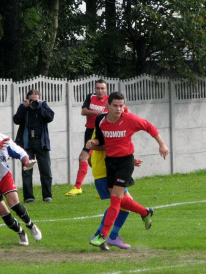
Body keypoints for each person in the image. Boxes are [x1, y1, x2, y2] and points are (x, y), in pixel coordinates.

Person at [87, 92, 169, 247]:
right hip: (109, 162)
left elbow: (149, 126)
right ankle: (145, 213)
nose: (119, 109)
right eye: (115, 106)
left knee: (115, 199)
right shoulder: (100, 120)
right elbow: (101, 140)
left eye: (121, 105)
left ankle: (103, 234)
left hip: (125, 162)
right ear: (108, 106)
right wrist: (93, 143)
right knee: (120, 200)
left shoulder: (130, 119)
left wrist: (162, 144)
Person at [0, 111, 42, 246]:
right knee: (5, 214)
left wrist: (27, 161)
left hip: (4, 177)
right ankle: (21, 232)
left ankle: (30, 225)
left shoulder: (5, 140)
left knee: (15, 204)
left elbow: (20, 152)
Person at [89, 129, 143, 250]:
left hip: (109, 169)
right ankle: (109, 236)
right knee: (122, 203)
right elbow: (108, 146)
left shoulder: (106, 123)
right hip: (107, 171)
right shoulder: (106, 124)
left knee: (121, 204)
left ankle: (105, 236)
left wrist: (128, 161)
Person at [65, 79, 109, 196]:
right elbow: (83, 111)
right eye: (98, 88)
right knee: (91, 161)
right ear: (94, 89)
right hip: (89, 131)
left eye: (102, 88)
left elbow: (125, 111)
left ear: (106, 89)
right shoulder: (90, 97)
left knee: (83, 157)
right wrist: (95, 112)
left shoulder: (110, 100)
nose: (100, 91)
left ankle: (77, 186)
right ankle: (105, 188)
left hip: (100, 133)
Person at [13, 89, 55, 203]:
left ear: (39, 99)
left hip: (41, 143)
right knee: (27, 170)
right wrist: (24, 107)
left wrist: (40, 107)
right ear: (27, 99)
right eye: (31, 100)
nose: (33, 102)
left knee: (46, 170)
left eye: (35, 100)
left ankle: (47, 196)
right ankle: (28, 197)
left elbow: (50, 117)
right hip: (27, 143)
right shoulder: (23, 107)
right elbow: (16, 120)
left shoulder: (42, 105)